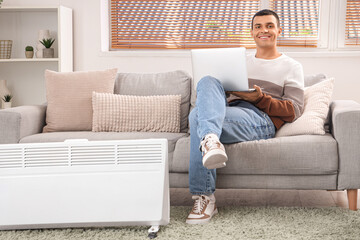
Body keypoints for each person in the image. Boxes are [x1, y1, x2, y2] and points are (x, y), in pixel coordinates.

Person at [186, 9, 304, 224]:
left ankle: (204, 196)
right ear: (252, 32)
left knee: (197, 118)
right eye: (258, 26)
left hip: (259, 119)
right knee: (207, 80)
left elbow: (294, 110)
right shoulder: (240, 61)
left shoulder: (292, 66)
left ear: (278, 30)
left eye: (269, 25)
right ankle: (211, 140)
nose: (264, 30)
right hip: (227, 112)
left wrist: (260, 99)